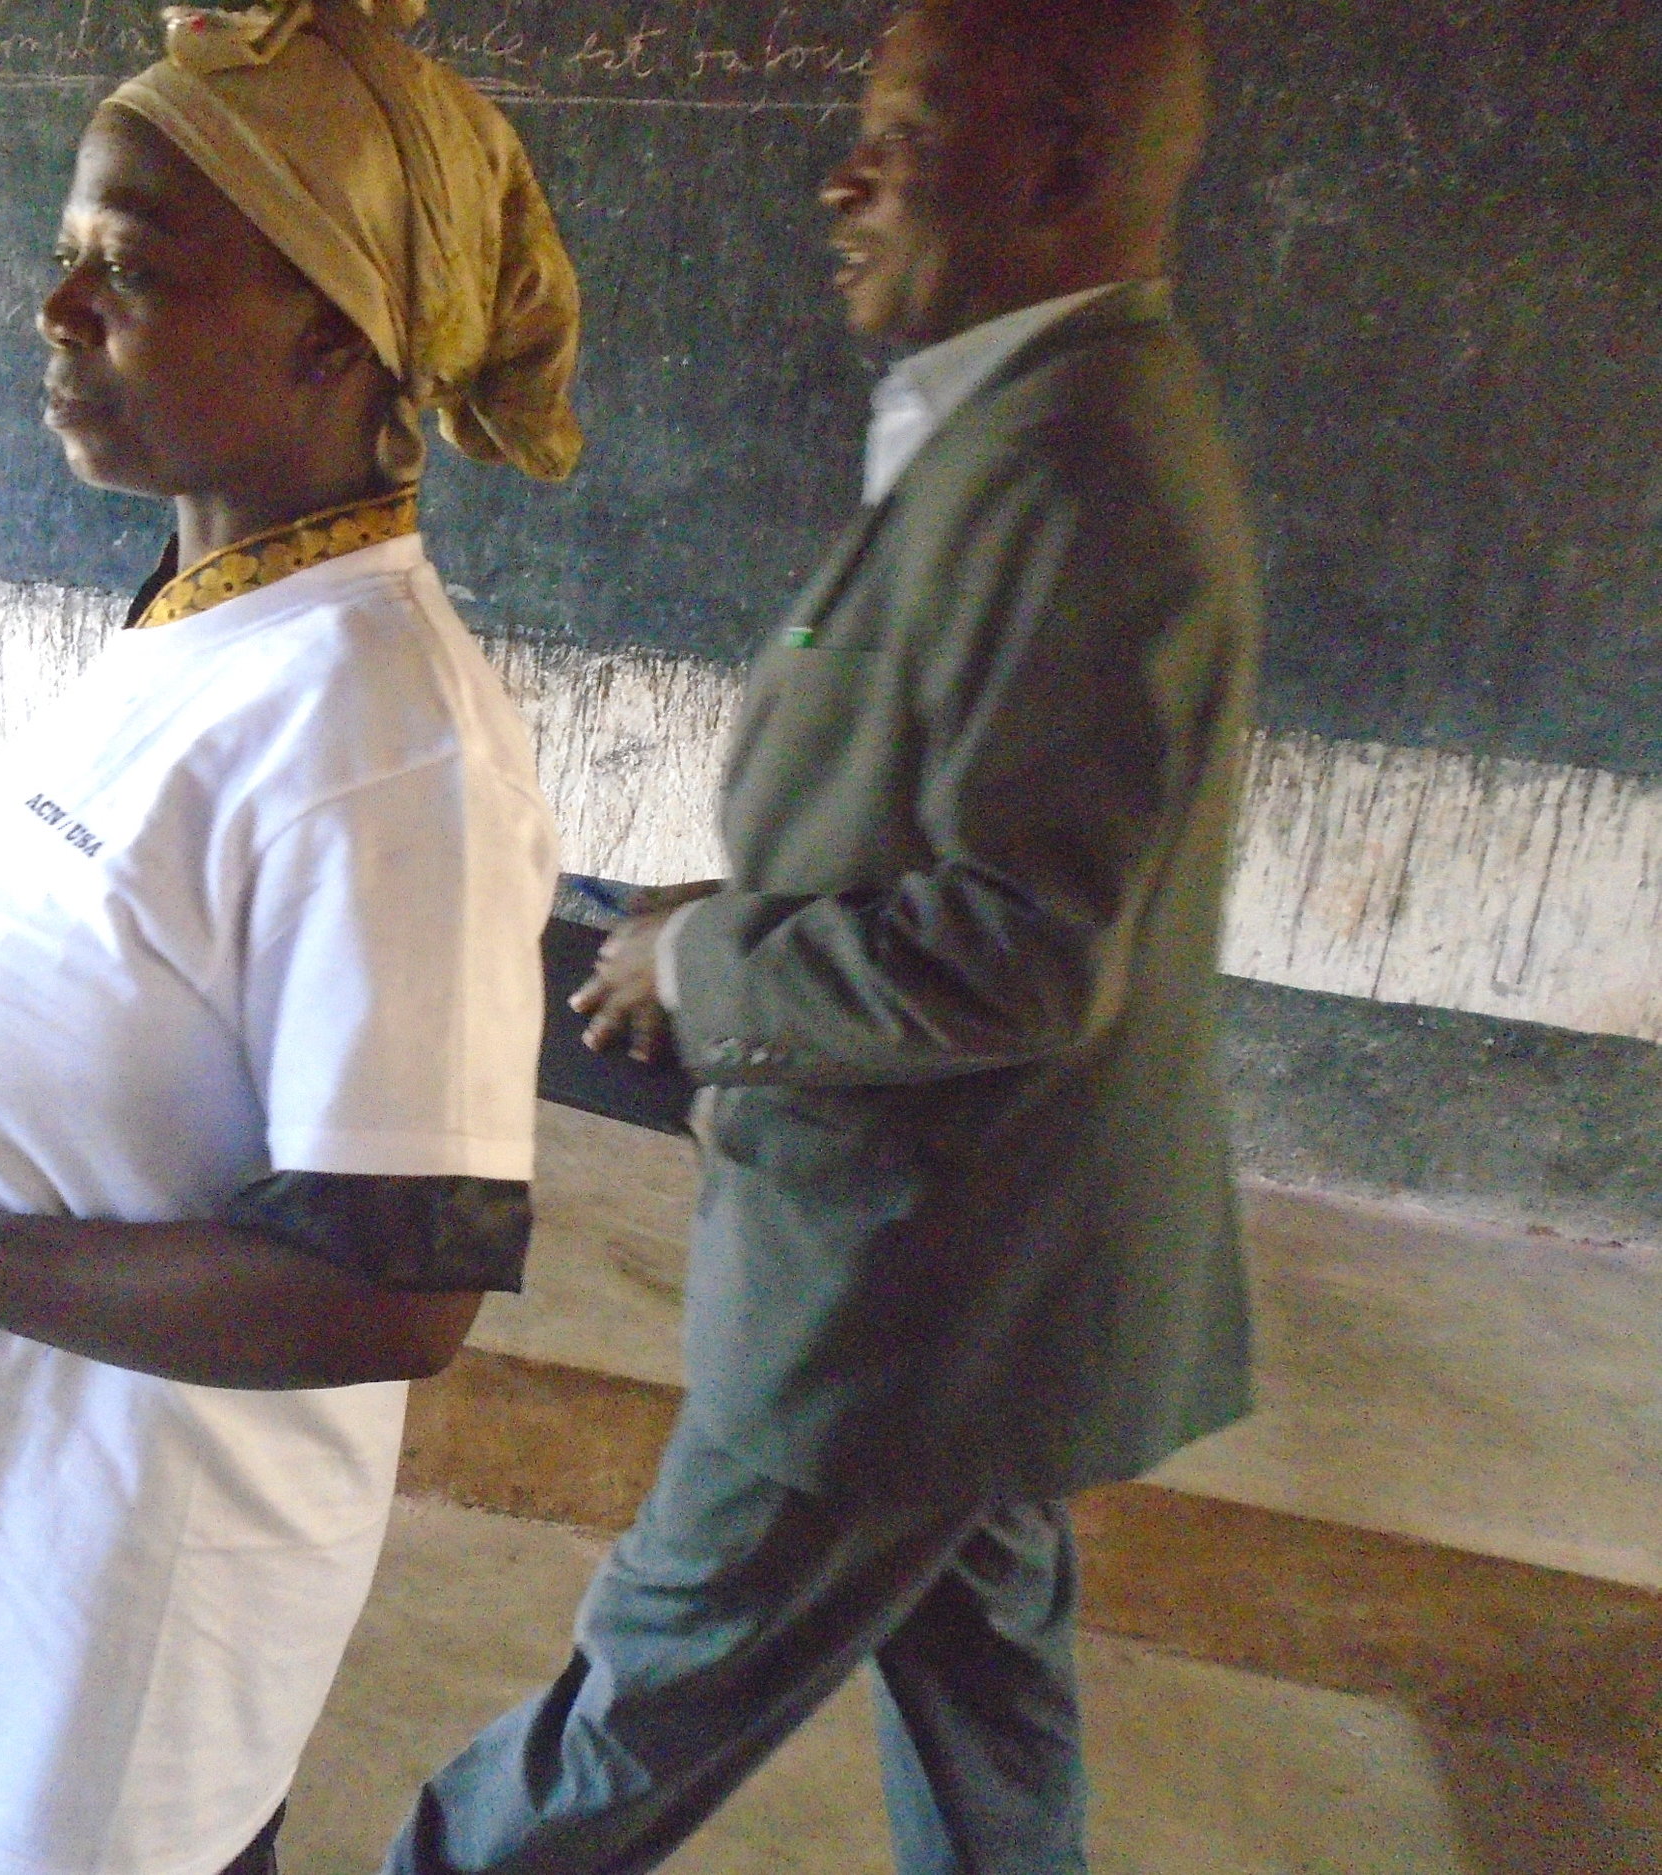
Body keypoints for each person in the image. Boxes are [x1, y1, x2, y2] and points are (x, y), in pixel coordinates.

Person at [0, 4, 581, 1871]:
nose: (59, 311)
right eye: (69, 256)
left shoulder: (385, 742)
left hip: (82, 1670)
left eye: (133, 270)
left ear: (336, 330)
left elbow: (391, 1287)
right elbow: (118, 1014)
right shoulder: (201, 615)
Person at [380, 2, 1260, 1871]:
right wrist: (716, 919)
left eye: (903, 128)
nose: (843, 176)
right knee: (988, 1701)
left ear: (1053, 160)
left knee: (635, 1705)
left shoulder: (1084, 475)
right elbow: (942, 824)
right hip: (979, 1288)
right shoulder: (1015, 414)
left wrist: (700, 972)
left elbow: (1020, 948)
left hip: (909, 1289)